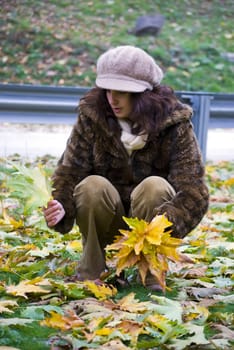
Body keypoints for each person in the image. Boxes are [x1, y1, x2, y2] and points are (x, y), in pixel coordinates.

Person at [43, 45, 209, 289]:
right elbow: (70, 171)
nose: (112, 98)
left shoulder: (174, 123)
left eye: (122, 91)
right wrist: (61, 207)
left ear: (144, 94)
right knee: (91, 185)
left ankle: (151, 271)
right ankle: (92, 270)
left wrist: (165, 223)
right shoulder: (92, 117)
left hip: (151, 224)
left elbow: (194, 191)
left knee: (155, 186)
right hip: (105, 218)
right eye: (108, 89)